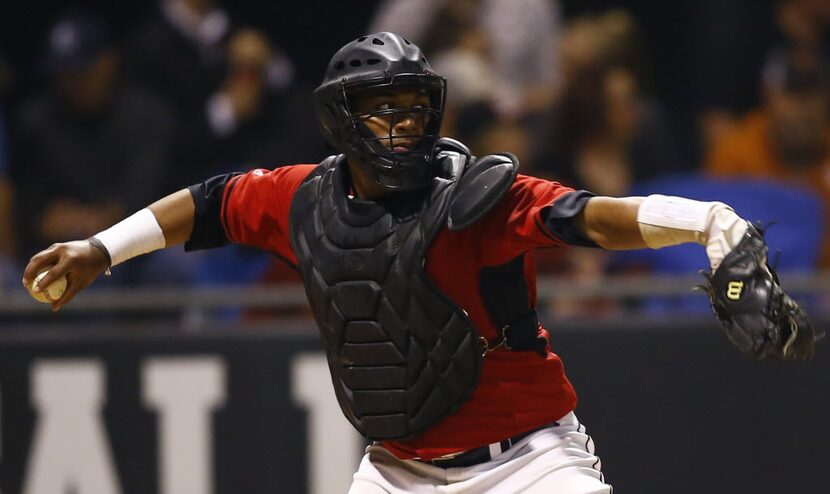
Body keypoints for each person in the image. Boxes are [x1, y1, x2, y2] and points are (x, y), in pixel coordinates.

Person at [23, 33, 771, 493]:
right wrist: (101, 249)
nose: (407, 123)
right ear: (344, 117)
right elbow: (209, 202)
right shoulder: (301, 199)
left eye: (416, 107)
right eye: (387, 108)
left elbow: (589, 217)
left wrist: (705, 221)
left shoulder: (474, 194)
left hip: (529, 465)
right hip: (397, 471)